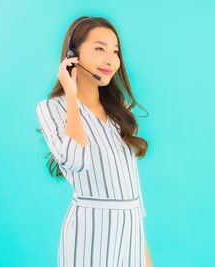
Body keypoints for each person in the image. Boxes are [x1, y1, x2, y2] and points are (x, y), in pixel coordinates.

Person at [35, 15, 152, 267]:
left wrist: (145, 258)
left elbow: (132, 193)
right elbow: (74, 161)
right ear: (72, 55)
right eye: (99, 48)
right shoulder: (52, 109)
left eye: (115, 51)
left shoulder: (120, 111)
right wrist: (71, 94)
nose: (111, 59)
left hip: (131, 233)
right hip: (90, 231)